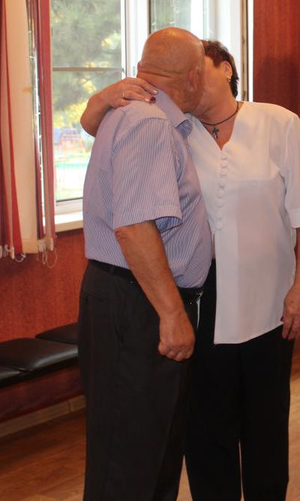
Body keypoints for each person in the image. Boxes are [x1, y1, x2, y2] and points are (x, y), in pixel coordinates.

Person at [81, 39, 300, 501]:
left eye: (202, 68)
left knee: (266, 428)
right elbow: (103, 129)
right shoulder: (175, 125)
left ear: (225, 69)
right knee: (203, 431)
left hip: (268, 301)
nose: (193, 82)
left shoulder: (277, 122)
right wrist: (103, 97)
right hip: (197, 301)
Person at [77, 27, 212, 501]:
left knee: (146, 453)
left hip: (129, 296)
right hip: (140, 303)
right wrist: (172, 314)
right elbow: (134, 228)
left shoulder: (125, 112)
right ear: (193, 77)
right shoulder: (150, 123)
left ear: (141, 70)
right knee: (130, 465)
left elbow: (89, 124)